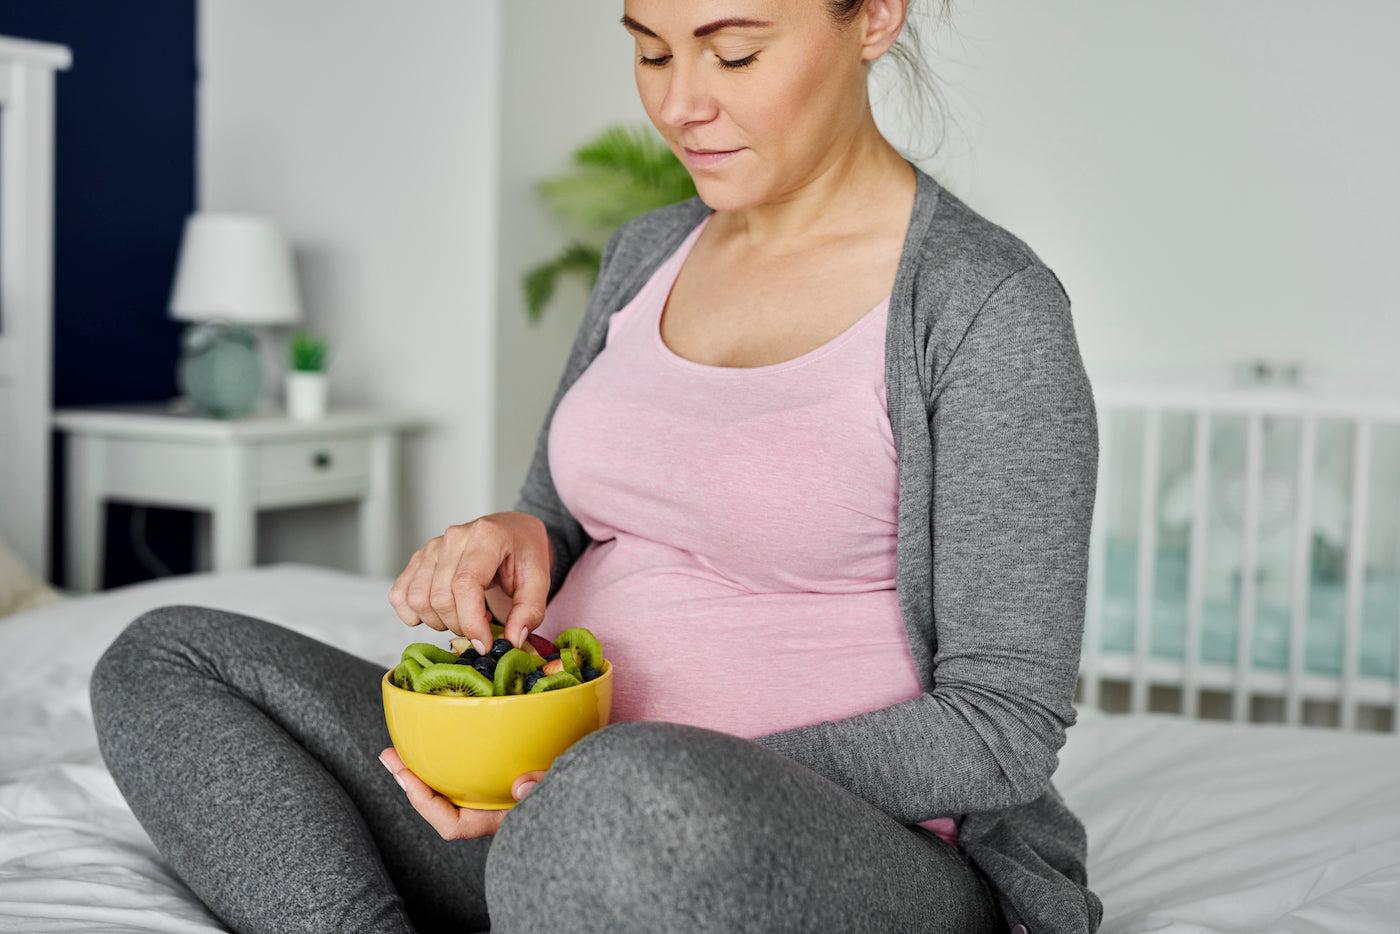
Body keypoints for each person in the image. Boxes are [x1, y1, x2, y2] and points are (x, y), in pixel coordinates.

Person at [91, 2, 1102, 932]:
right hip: (536, 808)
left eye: (733, 51)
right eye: (648, 49)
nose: (678, 103)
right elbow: (560, 514)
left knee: (618, 813)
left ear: (874, 16)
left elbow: (1000, 727)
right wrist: (517, 537)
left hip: (819, 852)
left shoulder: (983, 307)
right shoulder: (646, 252)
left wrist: (599, 781)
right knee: (165, 656)